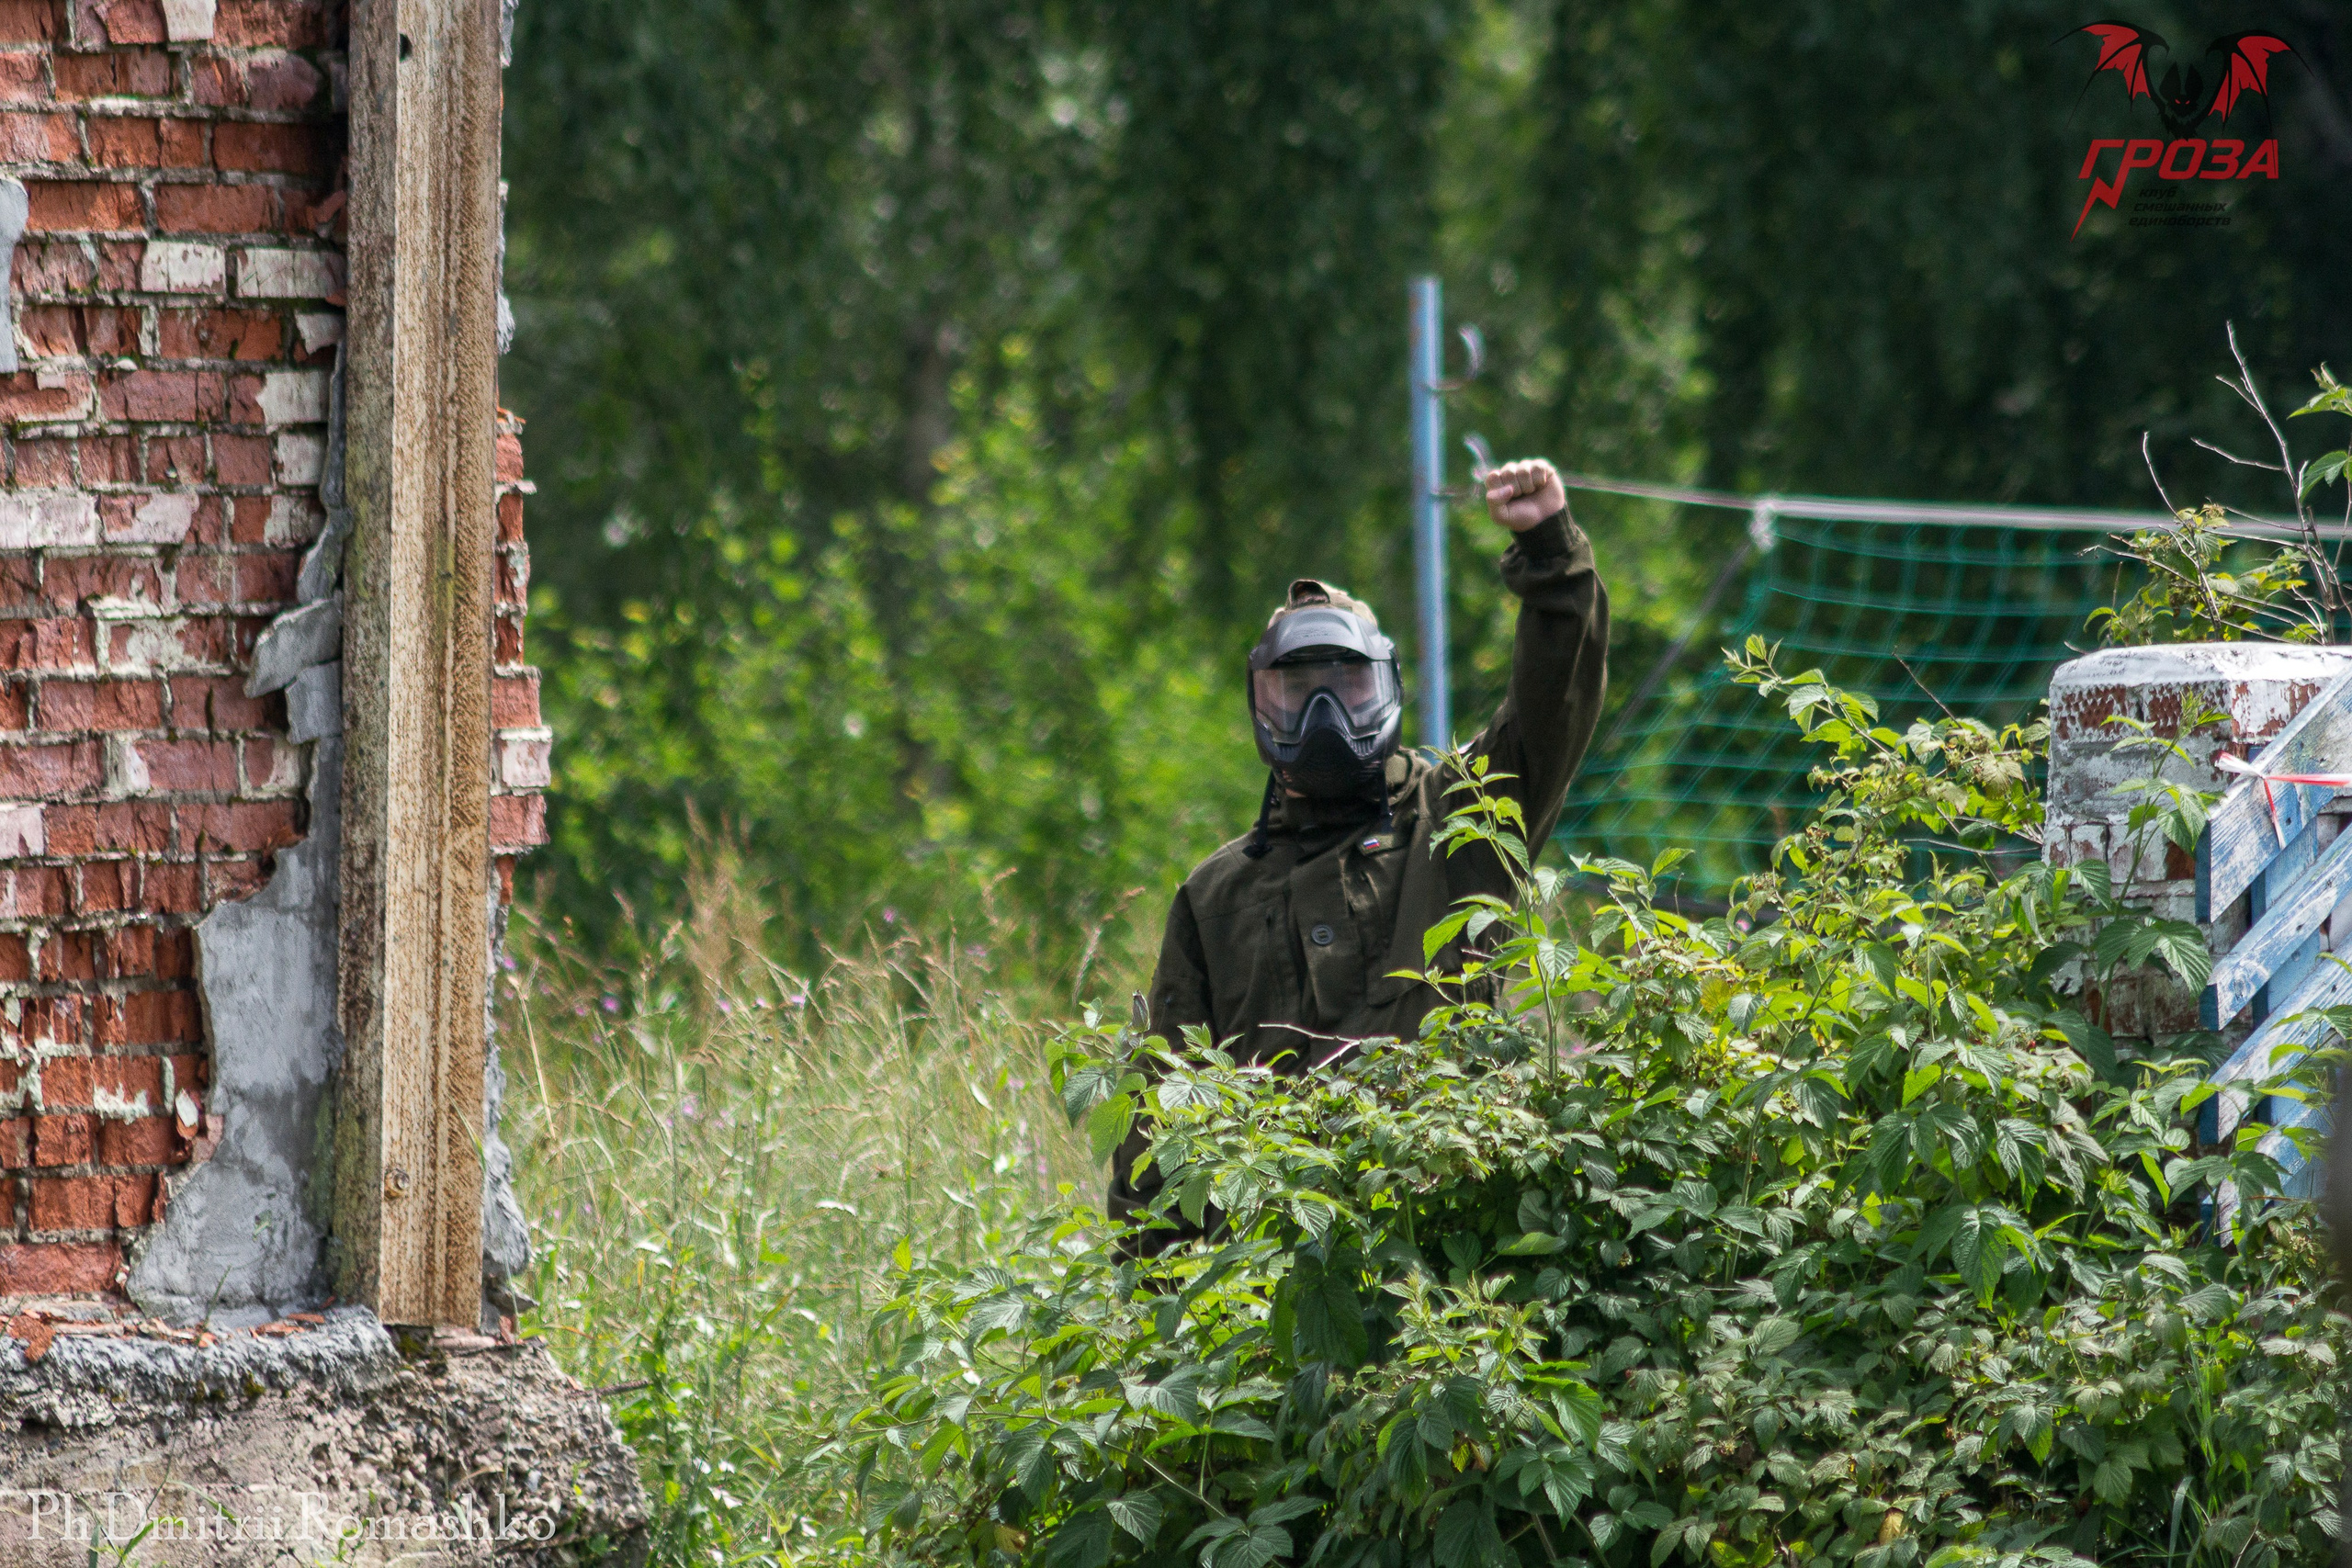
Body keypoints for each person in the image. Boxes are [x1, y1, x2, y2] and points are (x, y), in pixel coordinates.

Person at [1110, 457, 1610, 1230]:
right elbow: (1159, 1127)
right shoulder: (1215, 898)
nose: (1322, 715)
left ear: (1387, 689)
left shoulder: (1458, 820)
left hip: (1451, 1248)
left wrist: (1549, 550)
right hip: (1284, 1280)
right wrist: (1155, 1325)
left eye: (1346, 687)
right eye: (1295, 689)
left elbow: (1554, 703)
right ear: (1257, 699)